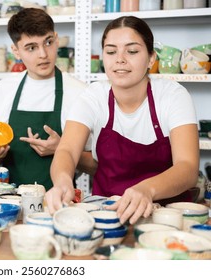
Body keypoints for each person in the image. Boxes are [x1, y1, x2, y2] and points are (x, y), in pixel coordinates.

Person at [45, 16, 199, 224]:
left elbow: (188, 168)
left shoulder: (172, 95)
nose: (120, 59)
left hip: (165, 217)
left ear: (151, 59)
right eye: (110, 51)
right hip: (108, 215)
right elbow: (66, 150)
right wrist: (62, 182)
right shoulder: (94, 96)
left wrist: (147, 189)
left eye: (132, 51)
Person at [0, 8, 94, 190]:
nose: (43, 54)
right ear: (16, 51)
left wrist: (62, 149)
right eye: (31, 47)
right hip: (10, 201)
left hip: (59, 202)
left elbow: (98, 167)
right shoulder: (3, 89)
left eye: (48, 42)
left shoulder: (81, 93)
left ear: (56, 40)